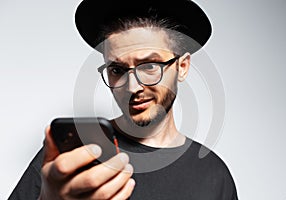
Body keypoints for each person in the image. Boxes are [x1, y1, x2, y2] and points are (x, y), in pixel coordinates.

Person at [9, 0, 238, 199]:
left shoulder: (213, 175)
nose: (132, 87)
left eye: (149, 66)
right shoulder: (73, 156)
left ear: (182, 67)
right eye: (117, 70)